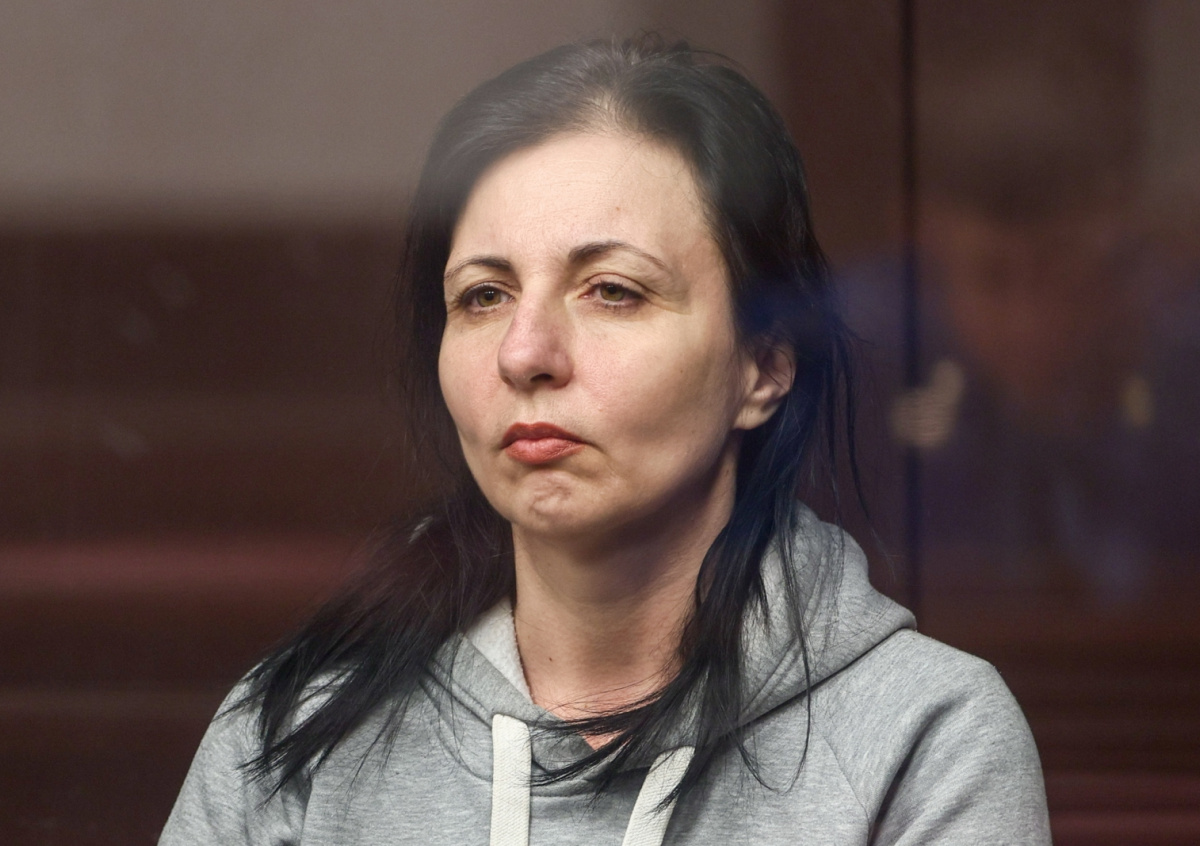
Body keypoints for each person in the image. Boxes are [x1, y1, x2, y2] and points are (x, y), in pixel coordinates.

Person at [160, 36, 1050, 845]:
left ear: (763, 366)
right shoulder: (293, 734)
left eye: (613, 291)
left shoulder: (923, 738)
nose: (525, 354)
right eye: (483, 296)